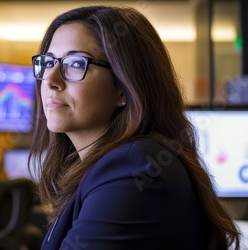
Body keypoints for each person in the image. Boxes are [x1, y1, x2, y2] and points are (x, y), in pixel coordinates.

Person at [28, 5, 240, 250]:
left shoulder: (134, 168)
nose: (51, 81)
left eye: (75, 64)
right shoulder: (100, 167)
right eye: (48, 62)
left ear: (124, 88)